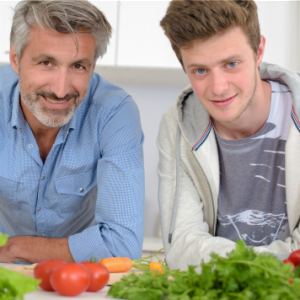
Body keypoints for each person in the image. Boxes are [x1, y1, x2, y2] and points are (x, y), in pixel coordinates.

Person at [157, 0, 300, 270]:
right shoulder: (177, 124)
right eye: (200, 70)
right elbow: (182, 248)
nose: (218, 88)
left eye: (231, 63)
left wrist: (214, 260)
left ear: (259, 52)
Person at [0, 0, 144, 264]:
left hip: (79, 280)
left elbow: (122, 245)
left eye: (78, 66)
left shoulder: (114, 112)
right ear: (15, 59)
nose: (61, 89)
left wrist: (17, 248)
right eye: (46, 62)